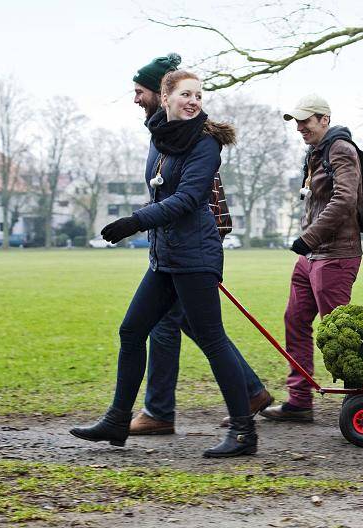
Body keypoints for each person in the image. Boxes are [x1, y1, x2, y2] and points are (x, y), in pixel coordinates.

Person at [70, 69, 257, 458]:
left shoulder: (206, 145)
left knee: (211, 338)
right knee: (131, 330)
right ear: (166, 97)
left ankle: (243, 433)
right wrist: (147, 230)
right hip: (165, 258)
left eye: (199, 96)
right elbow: (160, 188)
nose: (194, 102)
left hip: (196, 257)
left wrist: (135, 221)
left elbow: (188, 199)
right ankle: (118, 419)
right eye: (186, 95)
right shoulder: (158, 139)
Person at [127, 54, 274, 437]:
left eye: (140, 92)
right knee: (189, 326)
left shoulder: (197, 141)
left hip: (193, 250)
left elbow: (201, 199)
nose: (136, 99)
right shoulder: (163, 136)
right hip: (173, 250)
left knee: (181, 327)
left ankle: (164, 411)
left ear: (161, 94)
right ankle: (250, 393)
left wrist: (194, 243)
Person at [261, 94, 363, 422]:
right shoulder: (315, 154)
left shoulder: (340, 149)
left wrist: (308, 237)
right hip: (311, 257)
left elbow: (345, 200)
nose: (299, 127)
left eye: (306, 121)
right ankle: (299, 401)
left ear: (324, 119)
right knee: (295, 321)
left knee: (340, 333)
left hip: (336, 256)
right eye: (296, 121)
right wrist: (308, 244)